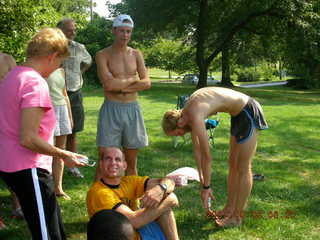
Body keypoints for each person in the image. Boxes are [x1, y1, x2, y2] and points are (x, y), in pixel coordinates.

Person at [0, 28, 85, 240]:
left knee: (51, 225)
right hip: (28, 168)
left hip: (11, 165)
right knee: (47, 235)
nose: (58, 68)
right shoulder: (34, 82)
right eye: (60, 62)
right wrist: (64, 154)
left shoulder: (13, 75)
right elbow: (28, 138)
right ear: (52, 56)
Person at [162, 87, 268, 227]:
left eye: (177, 133)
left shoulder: (194, 114)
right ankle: (229, 209)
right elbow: (197, 151)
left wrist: (207, 187)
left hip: (248, 110)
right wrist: (202, 182)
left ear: (180, 123)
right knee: (232, 163)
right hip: (237, 115)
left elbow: (207, 156)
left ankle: (236, 217)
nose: (181, 136)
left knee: (243, 167)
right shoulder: (187, 114)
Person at [95, 14, 151, 176]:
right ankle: (98, 200)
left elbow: (147, 82)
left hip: (132, 109)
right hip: (111, 110)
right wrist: (133, 81)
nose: (125, 35)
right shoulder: (103, 54)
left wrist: (120, 86)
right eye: (121, 31)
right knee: (105, 160)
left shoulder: (136, 54)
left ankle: (132, 201)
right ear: (114, 31)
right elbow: (108, 84)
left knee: (130, 163)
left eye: (128, 31)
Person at [87, 147, 180, 240]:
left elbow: (168, 180)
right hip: (122, 236)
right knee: (164, 204)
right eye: (108, 159)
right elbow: (133, 221)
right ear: (101, 164)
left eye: (118, 159)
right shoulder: (99, 192)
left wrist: (161, 188)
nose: (113, 163)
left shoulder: (129, 181)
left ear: (124, 165)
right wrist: (169, 199)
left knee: (163, 206)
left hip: (140, 232)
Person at [57, 18, 92, 178]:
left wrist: (79, 74)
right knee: (52, 132)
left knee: (73, 131)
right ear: (60, 30)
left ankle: (72, 166)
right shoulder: (52, 47)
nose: (72, 32)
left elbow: (88, 62)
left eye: (74, 30)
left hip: (74, 92)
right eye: (69, 29)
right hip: (55, 94)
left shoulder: (79, 48)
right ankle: (51, 167)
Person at [47, 68, 73, 200]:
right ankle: (46, 187)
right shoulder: (41, 68)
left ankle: (58, 188)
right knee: (47, 151)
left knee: (60, 150)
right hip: (47, 109)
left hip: (62, 108)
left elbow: (65, 94)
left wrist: (69, 116)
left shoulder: (62, 70)